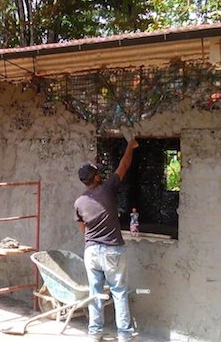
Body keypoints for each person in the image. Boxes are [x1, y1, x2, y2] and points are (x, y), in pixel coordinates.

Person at [74, 138, 138, 342]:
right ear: (97, 176)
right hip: (112, 250)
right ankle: (125, 336)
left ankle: (95, 333)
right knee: (119, 292)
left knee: (95, 293)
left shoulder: (80, 202)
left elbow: (82, 230)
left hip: (91, 251)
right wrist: (131, 146)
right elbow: (124, 165)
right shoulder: (108, 188)